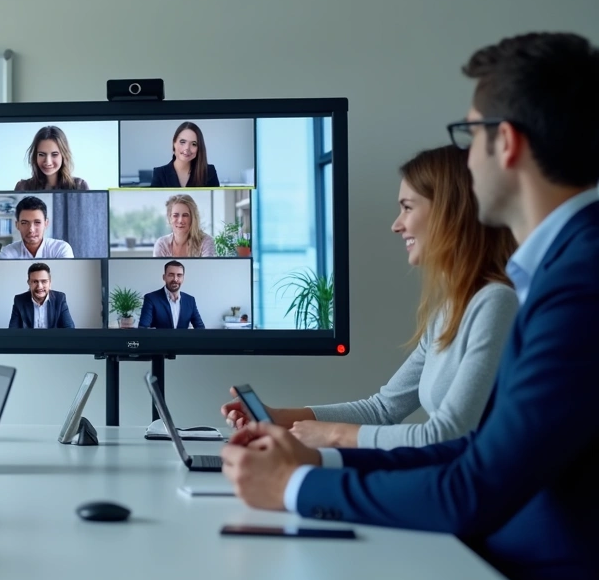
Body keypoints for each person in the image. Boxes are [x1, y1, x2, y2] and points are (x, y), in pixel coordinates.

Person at [219, 32, 599, 580]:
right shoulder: (558, 269)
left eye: (470, 134)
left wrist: (294, 486)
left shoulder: (577, 282)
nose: (467, 159)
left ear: (506, 143)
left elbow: (472, 487)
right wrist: (318, 461)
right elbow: (478, 452)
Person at [222, 146, 519, 449]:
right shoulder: (448, 311)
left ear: (450, 212)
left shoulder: (497, 303)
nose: (396, 225)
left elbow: (447, 434)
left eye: (407, 208)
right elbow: (382, 409)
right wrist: (276, 417)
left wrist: (333, 435)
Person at [0, 195, 74, 259]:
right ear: (17, 225)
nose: (31, 229)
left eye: (37, 222)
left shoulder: (61, 249)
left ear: (46, 224)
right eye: (24, 223)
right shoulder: (7, 253)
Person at [13, 125, 89, 191]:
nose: (48, 162)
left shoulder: (79, 186)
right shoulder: (23, 187)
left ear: (64, 155)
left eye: (54, 154)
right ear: (35, 156)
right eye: (41, 154)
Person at [149, 122, 220, 188]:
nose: (187, 148)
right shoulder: (160, 173)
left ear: (199, 148)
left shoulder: (209, 172)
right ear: (174, 143)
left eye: (194, 144)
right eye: (182, 142)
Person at [137, 261, 205, 329]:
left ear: (183, 278)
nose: (175, 279)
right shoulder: (151, 298)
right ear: (164, 277)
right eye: (171, 275)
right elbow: (143, 328)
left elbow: (200, 328)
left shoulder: (190, 300)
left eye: (179, 275)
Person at [8, 262, 75, 328]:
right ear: (29, 283)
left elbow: (69, 329)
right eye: (35, 281)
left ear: (50, 282)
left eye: (44, 281)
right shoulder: (19, 300)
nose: (40, 287)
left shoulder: (60, 299)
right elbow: (13, 331)